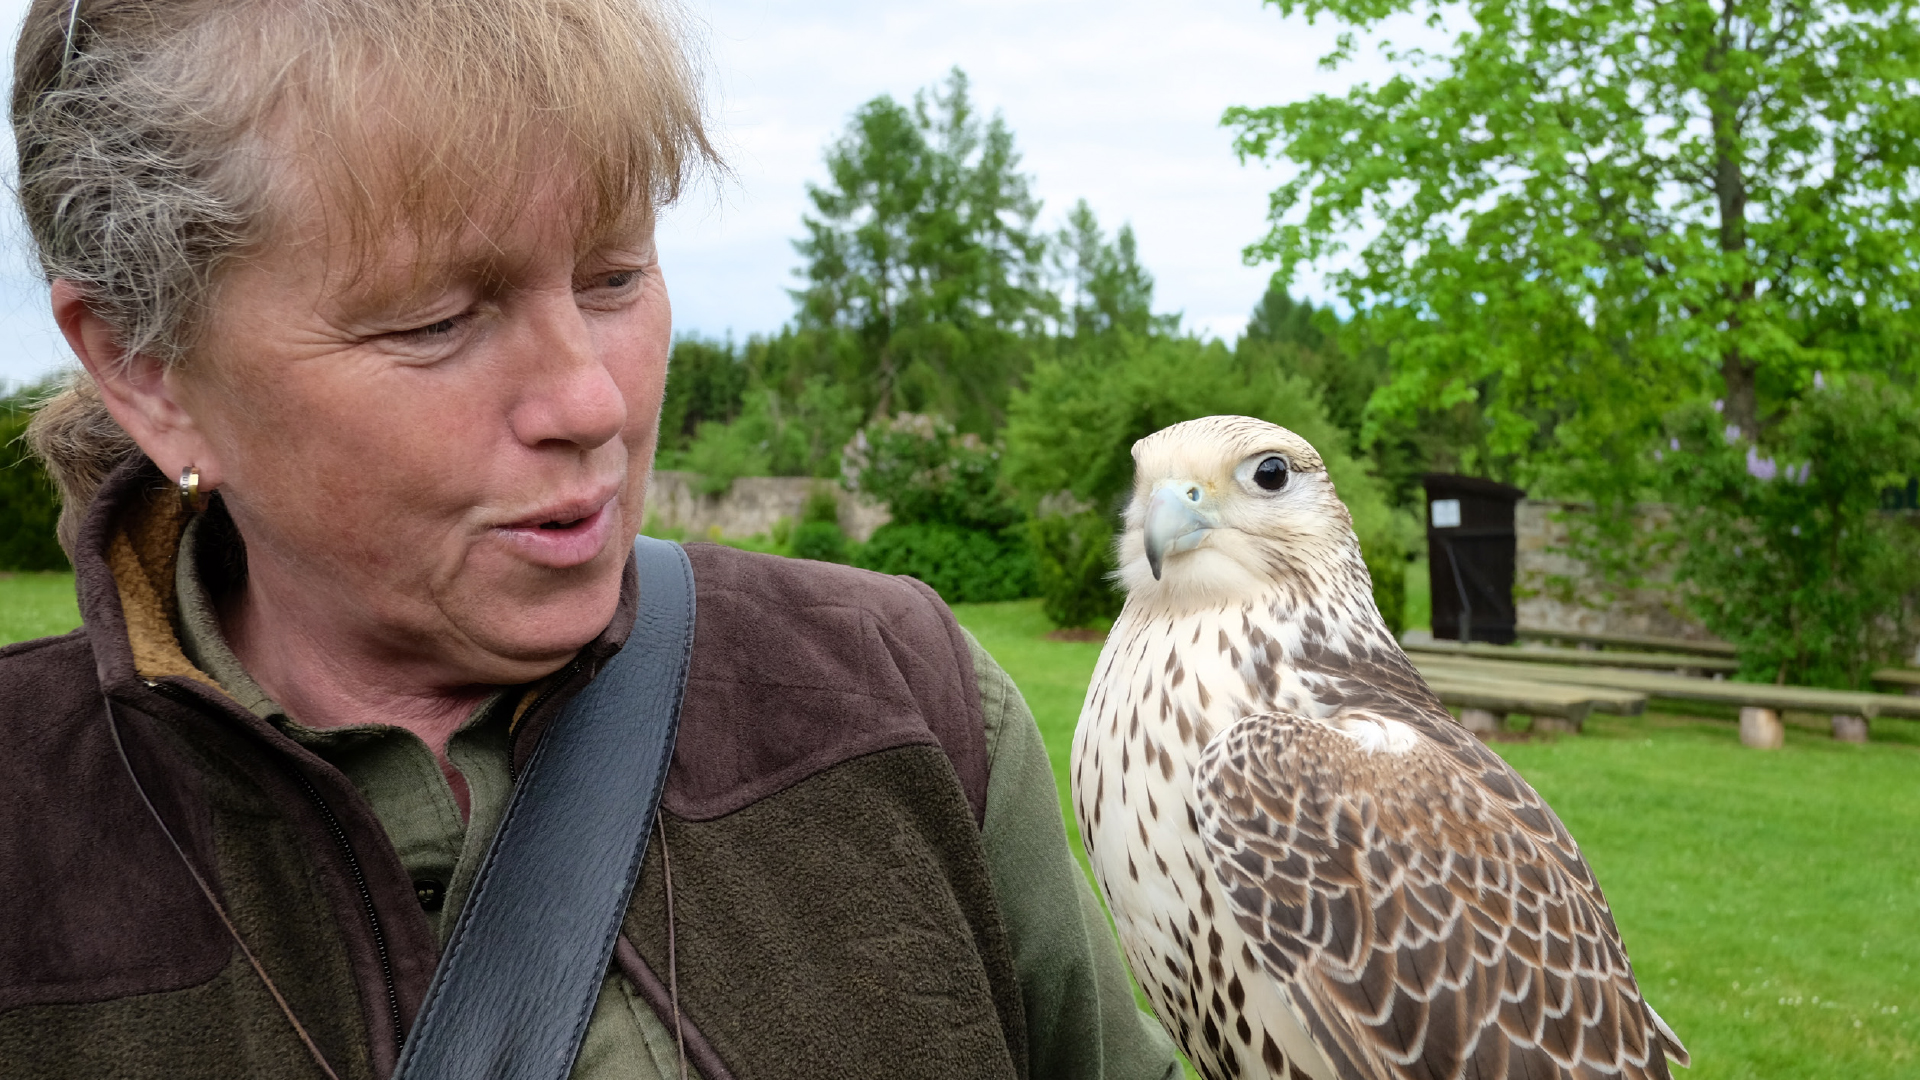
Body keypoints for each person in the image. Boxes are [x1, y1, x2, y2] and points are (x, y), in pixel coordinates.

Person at [0, 2, 1183, 1078]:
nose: (592, 405)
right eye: (435, 320)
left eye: (615, 276)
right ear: (144, 368)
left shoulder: (901, 692)